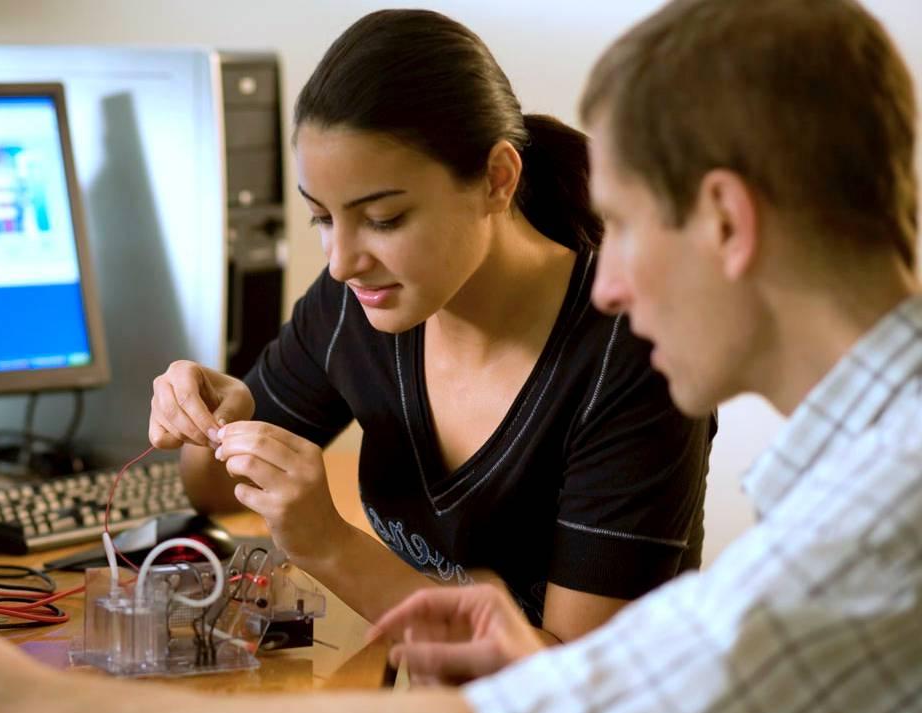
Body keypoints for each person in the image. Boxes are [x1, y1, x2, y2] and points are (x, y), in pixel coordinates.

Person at [0, 0, 922, 713]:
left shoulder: (881, 516)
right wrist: (221, 423)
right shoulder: (858, 475)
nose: (607, 280)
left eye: (628, 226)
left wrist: (34, 700)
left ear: (726, 222)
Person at [148, 8, 713, 642]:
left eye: (384, 218)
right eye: (322, 219)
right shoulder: (356, 304)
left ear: (497, 180)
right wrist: (213, 419)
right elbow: (215, 493)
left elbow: (568, 685)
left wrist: (329, 545)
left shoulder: (634, 360)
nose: (340, 262)